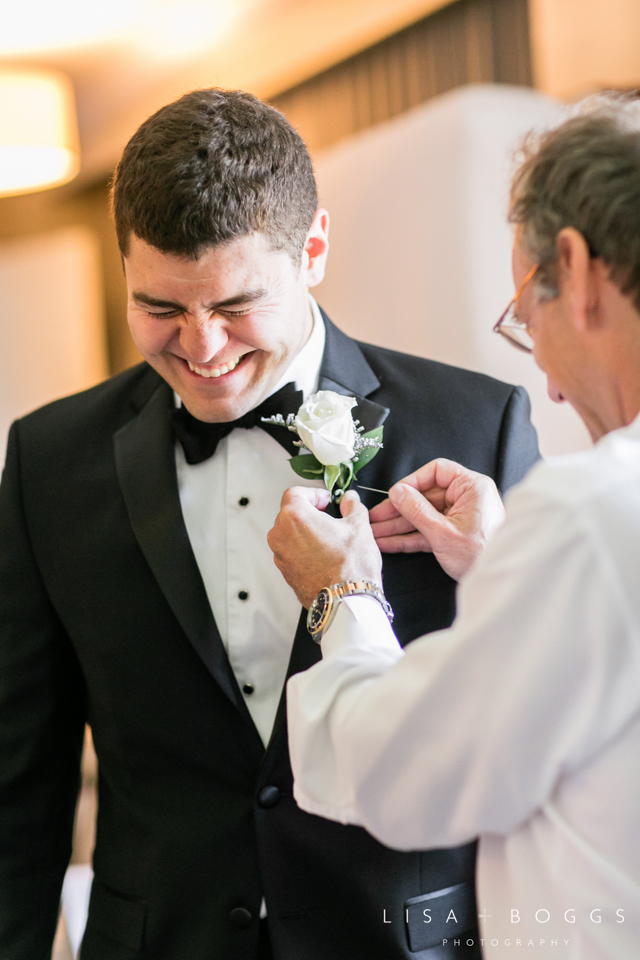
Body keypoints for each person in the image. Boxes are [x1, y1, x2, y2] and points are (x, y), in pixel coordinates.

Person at [0, 88, 539, 960]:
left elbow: (534, 725)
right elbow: (19, 782)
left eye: (234, 305)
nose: (203, 350)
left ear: (313, 248)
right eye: (163, 309)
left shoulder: (477, 428)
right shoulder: (47, 461)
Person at [269, 96, 640, 959]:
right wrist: (508, 564)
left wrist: (344, 596)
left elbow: (411, 779)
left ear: (577, 271)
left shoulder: (592, 514)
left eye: (526, 314)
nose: (543, 379)